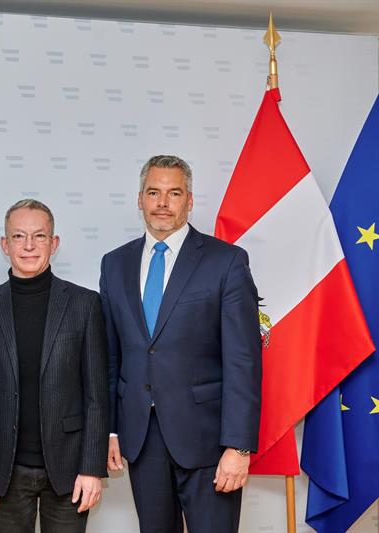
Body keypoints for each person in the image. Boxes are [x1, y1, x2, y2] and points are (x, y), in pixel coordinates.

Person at [100, 155, 262, 532]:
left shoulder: (226, 262)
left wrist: (238, 447)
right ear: (139, 199)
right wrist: (111, 430)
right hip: (142, 438)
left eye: (174, 193)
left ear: (189, 201)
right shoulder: (114, 264)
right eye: (153, 192)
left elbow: (243, 361)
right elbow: (110, 356)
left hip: (208, 442)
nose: (162, 202)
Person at [0, 199, 108, 533]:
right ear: (5, 244)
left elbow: (96, 395)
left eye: (39, 236)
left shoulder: (84, 305)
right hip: (4, 471)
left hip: (70, 470)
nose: (29, 245)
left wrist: (91, 468)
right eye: (18, 236)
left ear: (54, 243)